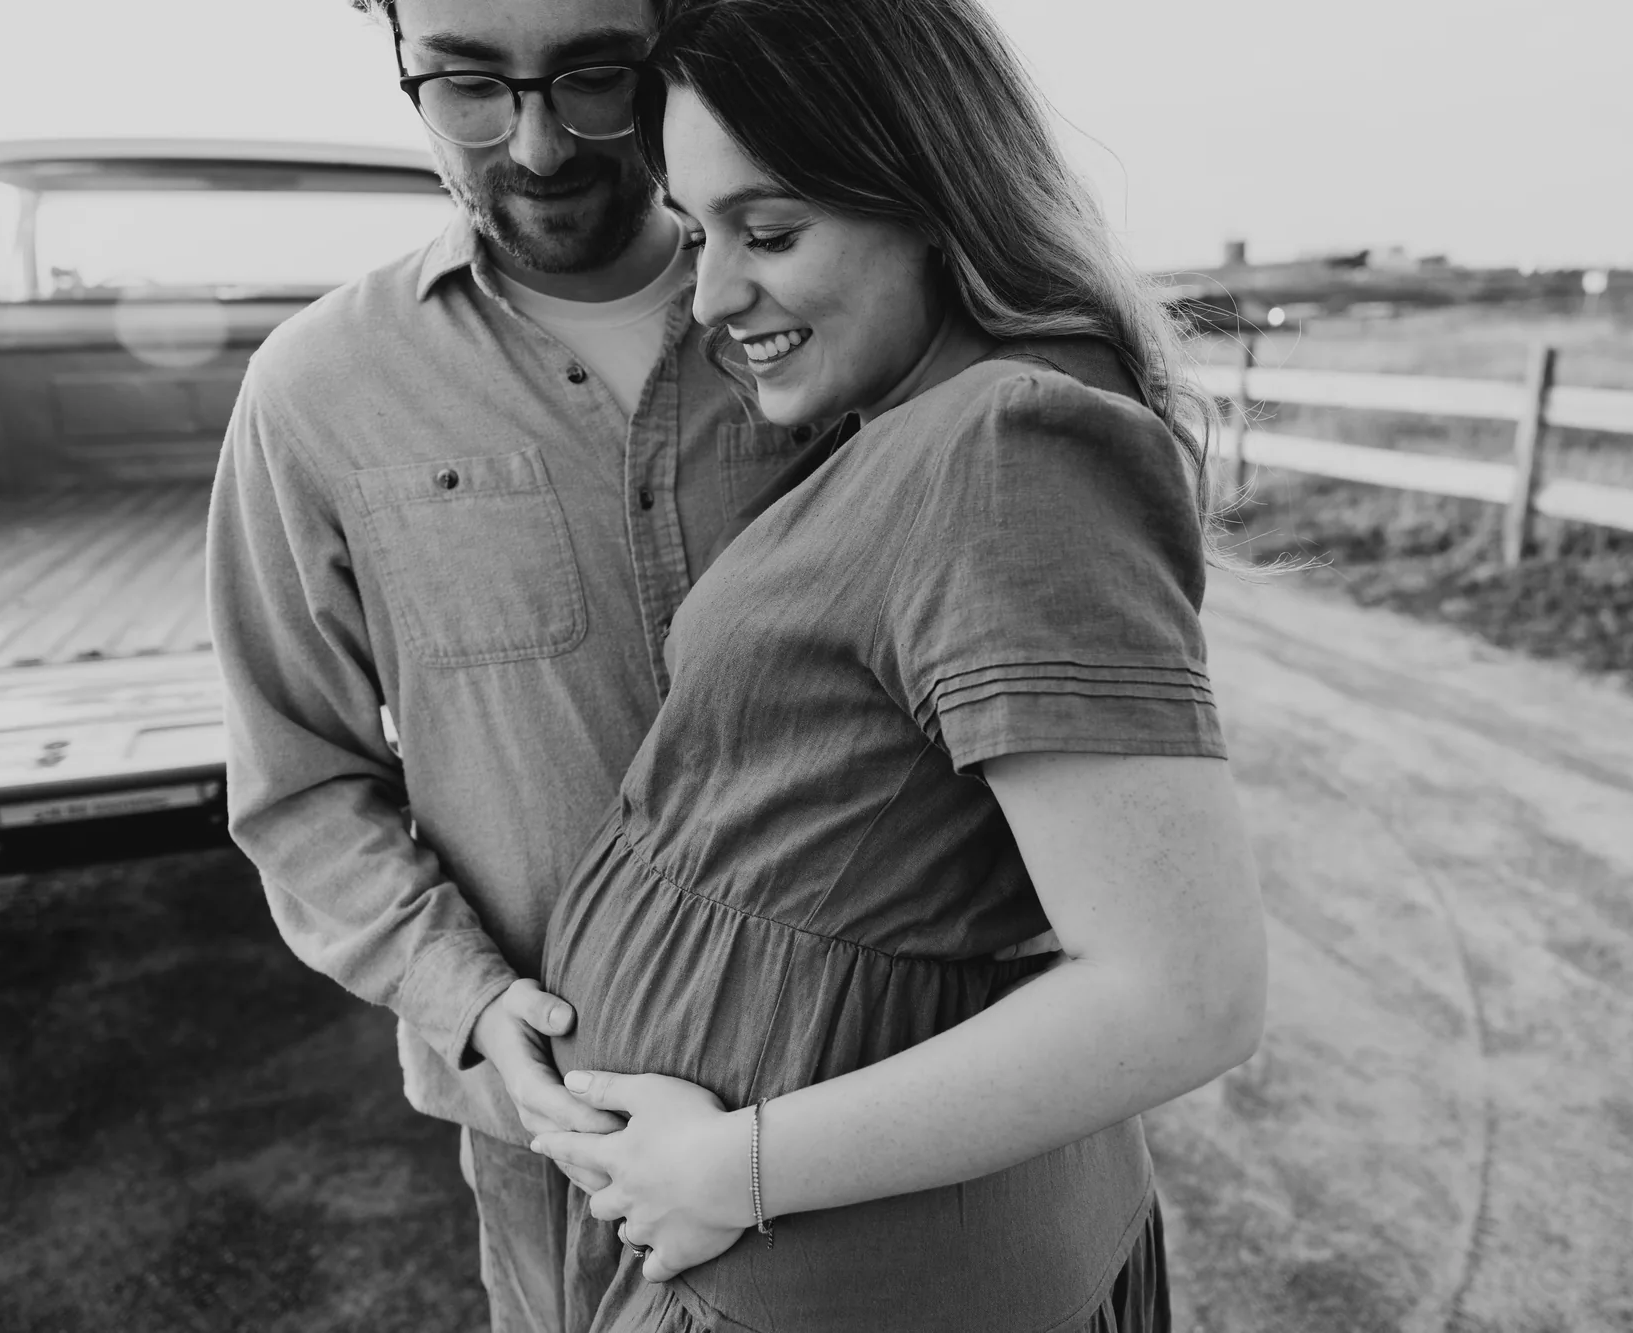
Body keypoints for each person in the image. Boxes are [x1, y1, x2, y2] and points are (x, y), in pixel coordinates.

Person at [528, 1, 1270, 1329]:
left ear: (934, 194)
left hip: (831, 1267)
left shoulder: (1008, 445)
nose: (710, 296)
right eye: (701, 235)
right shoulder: (909, 426)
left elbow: (1184, 994)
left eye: (771, 231)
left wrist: (729, 1165)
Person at [205, 2, 810, 1329]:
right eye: (470, 87)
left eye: (597, 78)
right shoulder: (315, 388)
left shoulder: (826, 331)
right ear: (402, 70)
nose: (538, 145)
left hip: (863, 1090)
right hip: (564, 1135)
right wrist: (473, 1007)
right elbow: (300, 782)